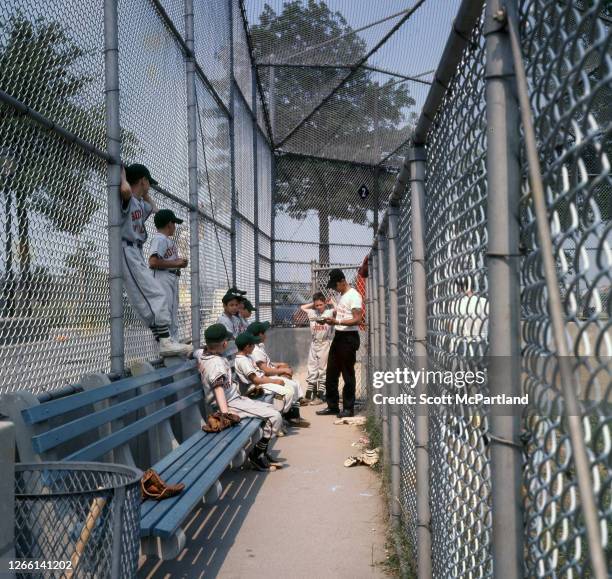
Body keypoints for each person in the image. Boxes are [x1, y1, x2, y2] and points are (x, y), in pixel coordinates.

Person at [119, 163, 191, 357]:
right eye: (148, 183)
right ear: (142, 180)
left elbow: (156, 210)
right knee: (156, 298)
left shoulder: (140, 203)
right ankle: (165, 342)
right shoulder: (127, 197)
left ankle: (165, 340)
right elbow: (125, 189)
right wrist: (122, 172)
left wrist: (144, 191)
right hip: (126, 249)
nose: (149, 187)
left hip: (136, 251)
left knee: (150, 301)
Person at [195, 324, 283, 471]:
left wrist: (188, 353)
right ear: (224, 344)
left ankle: (260, 451)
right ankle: (257, 455)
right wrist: (225, 414)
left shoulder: (202, 353)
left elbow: (194, 353)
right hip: (230, 403)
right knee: (275, 417)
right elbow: (218, 388)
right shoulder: (216, 363)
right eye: (227, 341)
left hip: (235, 399)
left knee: (270, 407)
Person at [316, 268, 363, 418]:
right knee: (331, 371)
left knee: (347, 373)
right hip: (339, 336)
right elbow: (344, 314)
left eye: (335, 285)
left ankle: (348, 408)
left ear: (342, 281)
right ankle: (333, 405)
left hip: (349, 338)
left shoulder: (354, 295)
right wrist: (332, 318)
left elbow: (357, 319)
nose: (334, 289)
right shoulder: (342, 295)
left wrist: (337, 321)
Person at [234, 332, 306, 427]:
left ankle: (284, 417)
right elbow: (255, 380)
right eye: (252, 345)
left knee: (289, 388)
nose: (254, 347)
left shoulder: (247, 356)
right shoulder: (242, 361)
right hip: (254, 388)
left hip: (262, 382)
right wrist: (274, 381)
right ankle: (279, 420)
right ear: (247, 347)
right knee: (287, 393)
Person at [248, 321, 310, 414]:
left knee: (295, 382)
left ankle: (297, 401)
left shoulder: (259, 346)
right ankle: (291, 413)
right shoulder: (256, 351)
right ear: (260, 334)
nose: (266, 335)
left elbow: (268, 363)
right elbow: (266, 370)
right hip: (265, 378)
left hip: (268, 375)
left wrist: (279, 365)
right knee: (291, 385)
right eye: (264, 333)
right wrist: (282, 370)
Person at [148, 209, 188, 340]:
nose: (175, 227)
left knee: (171, 316)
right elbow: (153, 262)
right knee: (164, 315)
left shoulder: (166, 240)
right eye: (174, 223)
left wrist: (177, 262)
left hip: (170, 278)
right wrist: (176, 264)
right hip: (162, 278)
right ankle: (166, 349)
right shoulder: (159, 239)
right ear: (169, 224)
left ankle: (173, 345)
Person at [300, 292, 334, 405]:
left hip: (325, 343)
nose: (319, 307)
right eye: (317, 305)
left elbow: (337, 309)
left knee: (322, 369)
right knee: (312, 367)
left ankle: (320, 395)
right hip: (314, 343)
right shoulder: (312, 312)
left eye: (321, 304)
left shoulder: (328, 312)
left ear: (325, 303)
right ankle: (309, 395)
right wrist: (313, 303)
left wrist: (332, 302)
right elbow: (302, 307)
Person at [216, 288, 246, 364]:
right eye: (231, 305)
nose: (235, 307)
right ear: (224, 306)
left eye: (236, 305)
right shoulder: (222, 320)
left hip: (236, 352)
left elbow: (242, 333)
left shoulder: (236, 319)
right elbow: (232, 338)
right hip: (227, 354)